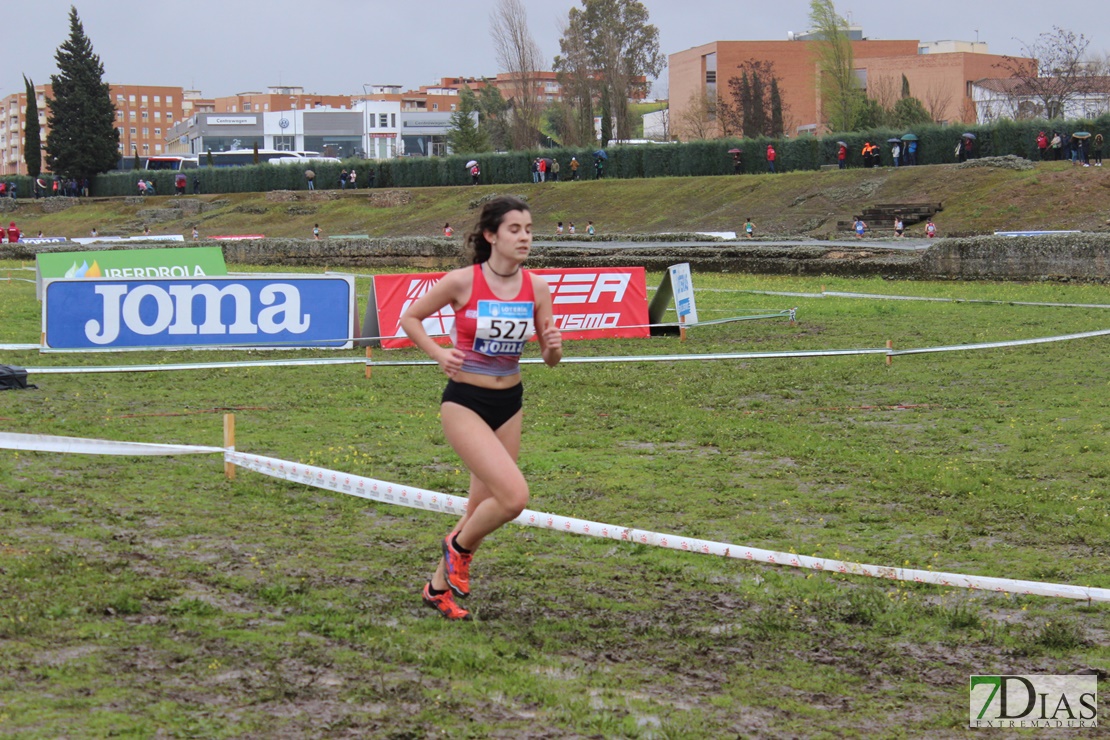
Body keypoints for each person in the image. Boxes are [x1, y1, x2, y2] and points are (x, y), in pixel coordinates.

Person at [398, 195, 563, 621]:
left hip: (509, 402)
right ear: (491, 235)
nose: (525, 237)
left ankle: (437, 589)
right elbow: (410, 318)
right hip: (465, 402)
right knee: (513, 497)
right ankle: (457, 549)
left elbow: (548, 357)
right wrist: (439, 354)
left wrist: (553, 348)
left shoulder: (537, 288)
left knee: (479, 508)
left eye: (528, 229)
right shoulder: (462, 281)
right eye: (514, 229)